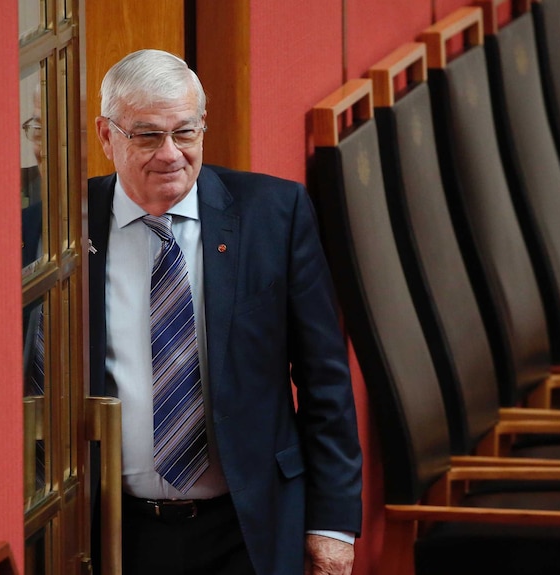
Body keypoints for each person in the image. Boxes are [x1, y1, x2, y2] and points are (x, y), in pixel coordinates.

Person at [88, 49, 362, 575]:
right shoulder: (63, 231)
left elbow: (325, 380)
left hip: (248, 525)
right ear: (107, 135)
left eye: (185, 133)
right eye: (147, 135)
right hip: (115, 533)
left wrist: (332, 524)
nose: (170, 154)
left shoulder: (274, 215)